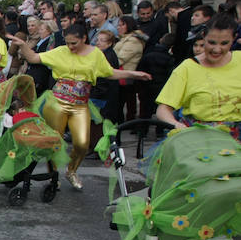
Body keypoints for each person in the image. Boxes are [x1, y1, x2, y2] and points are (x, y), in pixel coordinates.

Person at [9, 24, 151, 189]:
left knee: (82, 143)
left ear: (84, 39)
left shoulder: (96, 54)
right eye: (68, 43)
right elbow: (34, 58)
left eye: (74, 43)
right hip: (57, 103)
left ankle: (71, 171)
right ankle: (53, 177)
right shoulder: (61, 51)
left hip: (80, 105)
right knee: (53, 142)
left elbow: (109, 72)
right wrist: (22, 45)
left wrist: (134, 74)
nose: (70, 47)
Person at [155, 13, 241, 141]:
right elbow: (163, 109)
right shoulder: (187, 68)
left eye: (224, 43)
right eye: (211, 42)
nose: (217, 50)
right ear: (203, 36)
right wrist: (177, 125)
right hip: (197, 140)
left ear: (234, 39)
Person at [136, 33, 176, 121]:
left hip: (146, 87)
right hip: (161, 88)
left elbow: (139, 70)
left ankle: (142, 130)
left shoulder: (148, 55)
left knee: (145, 111)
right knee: (161, 110)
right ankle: (159, 131)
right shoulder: (170, 59)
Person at [114, 16, 146, 122]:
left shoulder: (133, 40)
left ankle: (127, 122)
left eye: (122, 25)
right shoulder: (125, 38)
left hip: (126, 74)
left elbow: (121, 58)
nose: (119, 27)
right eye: (118, 25)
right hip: (124, 73)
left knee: (125, 101)